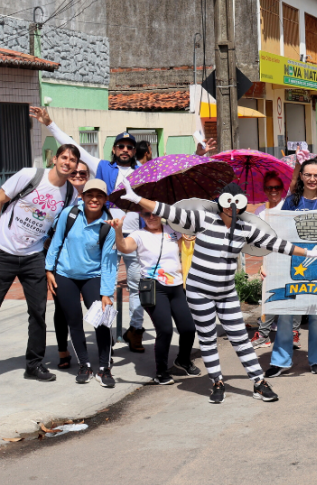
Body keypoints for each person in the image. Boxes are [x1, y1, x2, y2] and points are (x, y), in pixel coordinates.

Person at [118, 178, 317, 404]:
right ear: (220, 202)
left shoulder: (245, 229)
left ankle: (258, 382)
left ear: (243, 204)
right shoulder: (204, 219)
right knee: (207, 339)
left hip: (226, 292)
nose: (231, 206)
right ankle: (217, 381)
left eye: (236, 202)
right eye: (227, 201)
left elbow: (276, 243)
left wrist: (307, 253)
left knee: (240, 338)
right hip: (199, 292)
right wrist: (137, 199)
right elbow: (167, 211)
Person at [32, 107, 213, 353]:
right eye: (121, 146)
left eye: (129, 146)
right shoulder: (102, 167)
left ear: (133, 150)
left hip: (134, 238)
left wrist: (197, 154)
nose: (125, 150)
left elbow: (175, 176)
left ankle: (135, 330)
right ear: (114, 150)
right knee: (100, 289)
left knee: (139, 286)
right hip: (104, 237)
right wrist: (50, 123)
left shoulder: (145, 172)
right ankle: (96, 341)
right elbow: (74, 146)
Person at [0, 143, 79, 381]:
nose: (67, 162)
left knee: (38, 312)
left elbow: (64, 228)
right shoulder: (29, 175)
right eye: (64, 157)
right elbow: (2, 197)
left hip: (34, 257)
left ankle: (34, 364)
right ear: (54, 159)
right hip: (3, 250)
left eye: (72, 160)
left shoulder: (70, 194)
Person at [263, 158, 317, 378]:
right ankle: (280, 361)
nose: (313, 179)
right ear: (301, 176)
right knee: (286, 313)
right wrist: (266, 263)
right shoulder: (290, 202)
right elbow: (277, 234)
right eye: (308, 175)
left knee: (316, 315)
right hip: (292, 264)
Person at [111, 206, 200, 384]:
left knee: (189, 328)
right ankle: (161, 372)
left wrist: (189, 235)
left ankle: (182, 360)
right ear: (141, 215)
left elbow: (189, 239)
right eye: (146, 214)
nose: (151, 217)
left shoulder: (173, 230)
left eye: (155, 213)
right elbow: (125, 247)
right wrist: (118, 230)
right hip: (154, 288)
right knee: (165, 330)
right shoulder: (138, 235)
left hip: (176, 287)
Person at [45, 179, 118, 387]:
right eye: (90, 195)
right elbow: (56, 242)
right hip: (65, 275)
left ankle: (104, 368)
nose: (94, 199)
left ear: (105, 199)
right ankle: (84, 364)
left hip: (92, 276)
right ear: (83, 196)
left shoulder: (108, 226)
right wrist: (49, 270)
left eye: (99, 196)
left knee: (102, 319)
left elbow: (109, 263)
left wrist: (106, 292)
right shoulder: (69, 215)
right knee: (74, 321)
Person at [52, 160, 90, 369]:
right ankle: (62, 350)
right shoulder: (59, 195)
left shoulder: (95, 195)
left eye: (82, 173)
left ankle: (104, 344)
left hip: (89, 262)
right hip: (62, 261)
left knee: (95, 304)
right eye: (74, 172)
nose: (78, 175)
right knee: (62, 308)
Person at [250, 173, 291, 349]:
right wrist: (261, 264)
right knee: (269, 296)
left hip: (290, 257)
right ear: (264, 190)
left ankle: (293, 333)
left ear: (282, 189)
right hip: (270, 260)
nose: (273, 191)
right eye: (269, 188)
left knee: (291, 295)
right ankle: (264, 334)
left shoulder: (288, 206)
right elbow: (256, 240)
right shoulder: (260, 211)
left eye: (277, 188)